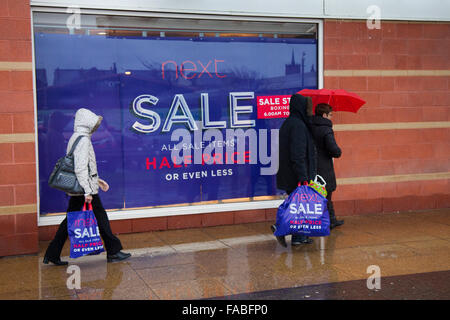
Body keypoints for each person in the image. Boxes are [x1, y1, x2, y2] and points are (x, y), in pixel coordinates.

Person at [43, 108, 131, 265]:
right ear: (87, 123)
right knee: (101, 217)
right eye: (94, 123)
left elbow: (83, 167)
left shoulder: (76, 137)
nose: (96, 126)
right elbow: (81, 168)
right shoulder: (83, 140)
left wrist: (98, 180)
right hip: (84, 190)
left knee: (70, 220)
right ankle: (113, 251)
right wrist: (88, 191)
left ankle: (52, 252)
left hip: (81, 189)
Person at [272, 94, 317, 247]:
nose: (309, 110)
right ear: (301, 107)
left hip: (290, 173)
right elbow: (298, 155)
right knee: (299, 206)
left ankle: (297, 236)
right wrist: (303, 177)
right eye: (307, 107)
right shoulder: (298, 125)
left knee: (298, 206)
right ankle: (284, 230)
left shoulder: (289, 123)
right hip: (296, 175)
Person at [311, 103, 344, 230]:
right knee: (327, 194)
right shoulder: (326, 129)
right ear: (324, 115)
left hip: (312, 167)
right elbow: (334, 150)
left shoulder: (309, 127)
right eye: (330, 115)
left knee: (316, 195)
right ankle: (329, 221)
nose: (331, 117)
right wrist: (338, 151)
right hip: (324, 167)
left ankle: (330, 220)